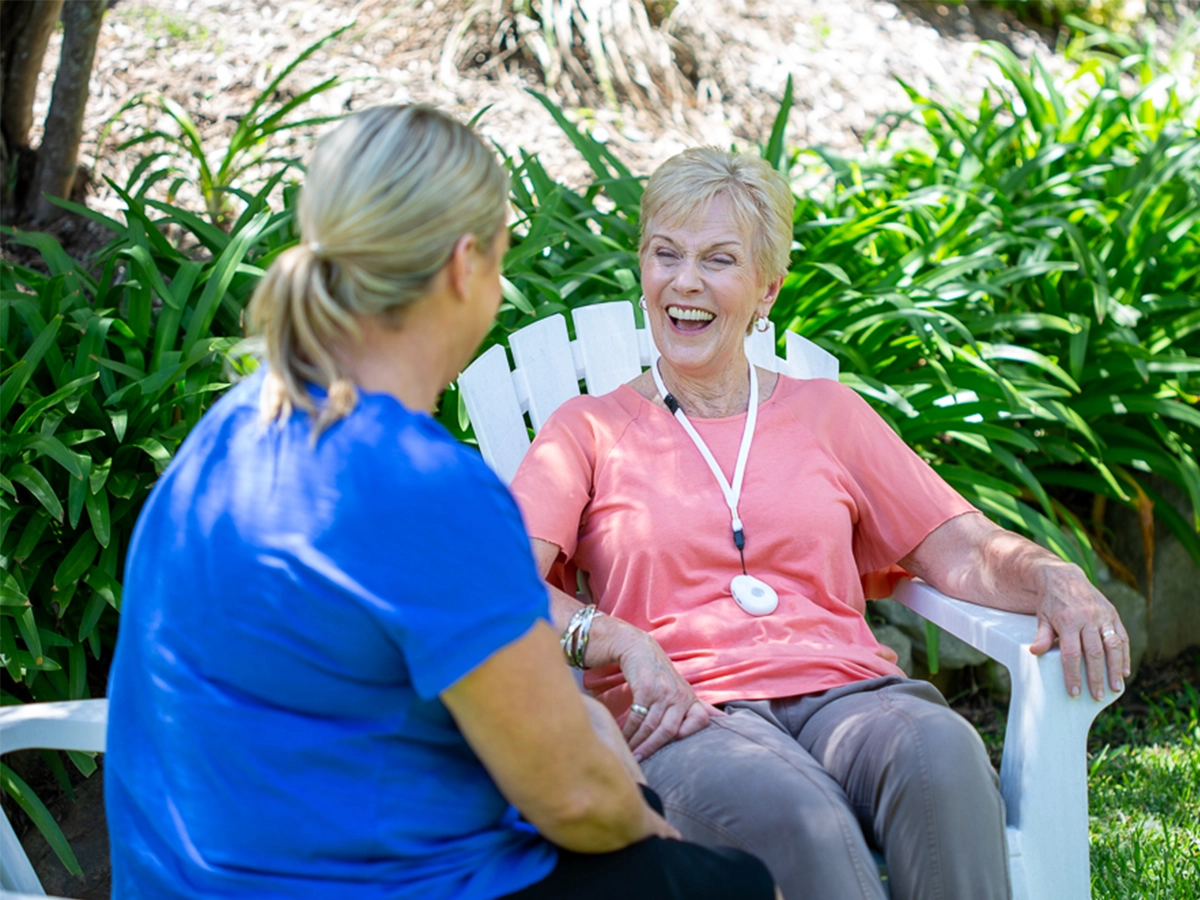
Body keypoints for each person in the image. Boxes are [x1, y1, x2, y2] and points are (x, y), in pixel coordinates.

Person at [104, 107, 778, 900]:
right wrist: (654, 835)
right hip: (364, 886)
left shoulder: (233, 429)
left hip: (187, 880)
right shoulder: (419, 485)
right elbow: (574, 799)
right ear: (465, 266)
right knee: (731, 884)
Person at [508, 147, 1132, 900]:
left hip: (851, 695)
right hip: (689, 715)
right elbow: (498, 587)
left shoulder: (829, 414)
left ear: (766, 289)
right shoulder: (588, 430)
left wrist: (1054, 577)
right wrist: (622, 640)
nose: (685, 282)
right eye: (666, 254)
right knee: (802, 817)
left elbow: (961, 550)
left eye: (718, 260)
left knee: (944, 756)